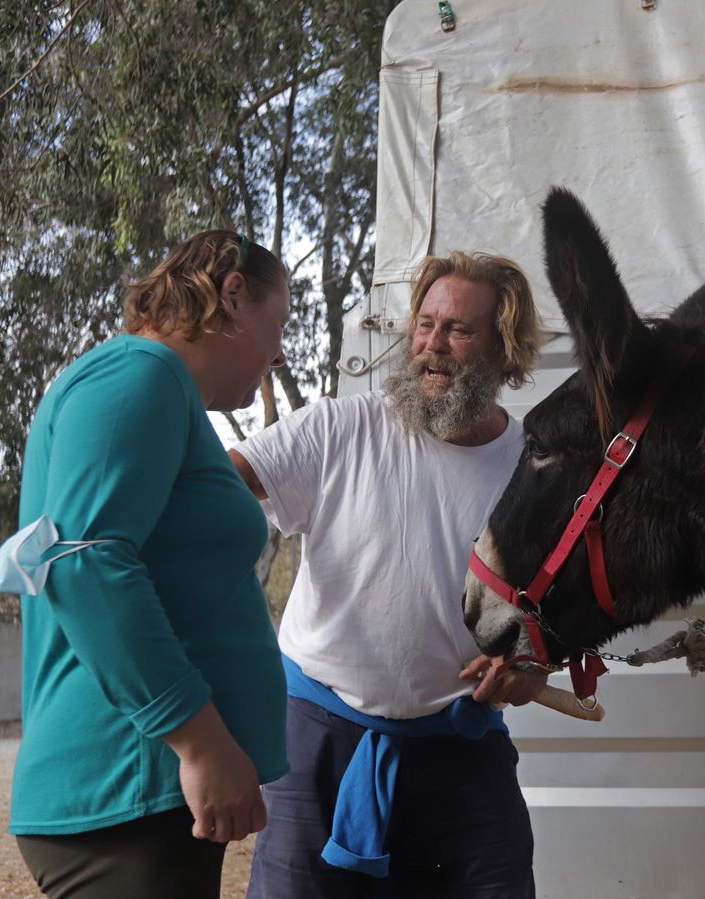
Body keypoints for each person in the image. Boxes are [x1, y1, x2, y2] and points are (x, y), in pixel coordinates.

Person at [232, 250, 547, 898]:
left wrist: (530, 663)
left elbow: (549, 622)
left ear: (505, 352)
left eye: (459, 330)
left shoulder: (537, 473)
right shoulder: (339, 429)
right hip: (316, 738)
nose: (432, 346)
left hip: (459, 745)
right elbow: (211, 486)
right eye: (425, 325)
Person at [4, 231, 292, 899]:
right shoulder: (140, 372)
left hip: (148, 799)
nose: (278, 352)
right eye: (278, 324)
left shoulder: (163, 393)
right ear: (232, 292)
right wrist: (200, 742)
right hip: (126, 787)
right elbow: (85, 561)